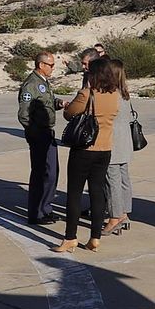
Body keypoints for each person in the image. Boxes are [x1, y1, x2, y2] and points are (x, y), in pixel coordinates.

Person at [54, 59, 120, 253]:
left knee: (74, 193)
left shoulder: (86, 94)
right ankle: (95, 237)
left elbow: (69, 113)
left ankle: (70, 237)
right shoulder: (114, 95)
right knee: (97, 192)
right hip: (105, 148)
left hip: (84, 149)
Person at [17, 50, 63, 225]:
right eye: (50, 65)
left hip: (47, 132)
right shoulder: (31, 84)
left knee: (51, 173)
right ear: (41, 65)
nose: (53, 68)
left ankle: (46, 208)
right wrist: (33, 134)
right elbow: (24, 114)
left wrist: (60, 104)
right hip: (39, 134)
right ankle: (36, 213)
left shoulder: (43, 82)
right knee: (40, 174)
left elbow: (47, 103)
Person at [102, 57, 137, 236]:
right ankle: (124, 212)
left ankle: (115, 217)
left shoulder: (109, 94)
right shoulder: (125, 93)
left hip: (112, 143)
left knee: (112, 181)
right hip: (125, 143)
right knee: (124, 179)